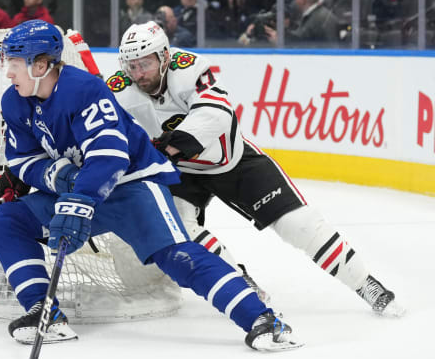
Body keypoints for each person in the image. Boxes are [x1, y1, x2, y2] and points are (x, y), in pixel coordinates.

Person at [0, 19, 302, 351]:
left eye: (15, 64)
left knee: (176, 256)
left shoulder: (84, 90)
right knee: (7, 220)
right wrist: (59, 176)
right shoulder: (14, 101)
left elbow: (110, 156)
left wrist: (78, 198)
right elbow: (23, 159)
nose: (8, 73)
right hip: (81, 189)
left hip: (132, 186)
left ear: (40, 65)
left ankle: (263, 319)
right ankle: (43, 312)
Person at [109, 21, 405, 318]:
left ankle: (366, 283)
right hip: (180, 174)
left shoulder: (190, 68)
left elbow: (217, 113)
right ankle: (240, 281)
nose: (138, 74)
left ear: (165, 57)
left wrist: (167, 147)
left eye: (145, 63)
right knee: (181, 227)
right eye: (131, 65)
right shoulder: (119, 89)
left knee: (300, 225)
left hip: (231, 160)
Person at [243, 0, 338, 47]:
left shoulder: (318, 18)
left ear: (303, 0)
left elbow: (301, 40)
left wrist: (280, 39)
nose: (295, 1)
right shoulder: (316, 14)